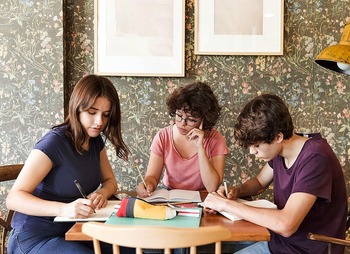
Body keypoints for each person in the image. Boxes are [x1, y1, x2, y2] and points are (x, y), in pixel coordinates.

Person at [202, 94, 347, 254]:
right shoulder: (282, 150)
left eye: (256, 145)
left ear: (278, 136)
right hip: (280, 244)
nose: (252, 152)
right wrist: (236, 191)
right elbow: (258, 183)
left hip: (306, 250)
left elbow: (286, 225)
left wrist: (225, 204)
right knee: (210, 246)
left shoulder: (315, 158)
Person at [6, 74, 133, 254]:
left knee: (138, 248)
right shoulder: (54, 143)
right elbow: (13, 199)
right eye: (92, 112)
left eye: (105, 115)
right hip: (33, 237)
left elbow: (110, 181)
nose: (99, 122)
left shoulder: (95, 141)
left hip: (72, 231)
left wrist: (101, 193)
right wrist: (64, 209)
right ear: (77, 108)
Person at [136, 81, 228, 196]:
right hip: (170, 195)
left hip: (203, 198)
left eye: (191, 119)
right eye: (179, 116)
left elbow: (212, 187)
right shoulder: (162, 136)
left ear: (204, 120)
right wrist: (148, 184)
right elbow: (152, 177)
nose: (182, 123)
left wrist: (200, 148)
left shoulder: (216, 140)